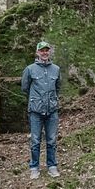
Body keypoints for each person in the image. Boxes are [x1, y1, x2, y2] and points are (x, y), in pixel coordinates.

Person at [21, 41, 61, 179]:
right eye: (42, 50)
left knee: (51, 139)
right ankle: (34, 167)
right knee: (35, 140)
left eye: (46, 50)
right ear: (37, 52)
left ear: (49, 52)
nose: (44, 53)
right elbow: (25, 88)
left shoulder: (56, 69)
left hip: (52, 110)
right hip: (35, 111)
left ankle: (52, 166)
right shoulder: (30, 69)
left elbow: (58, 87)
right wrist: (36, 100)